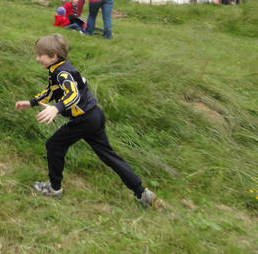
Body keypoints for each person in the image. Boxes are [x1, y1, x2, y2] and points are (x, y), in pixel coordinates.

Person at [14, 34, 157, 207]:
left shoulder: (63, 73)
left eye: (40, 55)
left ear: (53, 56)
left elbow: (73, 95)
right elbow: (51, 91)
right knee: (108, 155)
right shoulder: (60, 69)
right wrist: (32, 103)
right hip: (94, 115)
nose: (37, 58)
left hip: (84, 120)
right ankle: (142, 192)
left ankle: (54, 188)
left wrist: (56, 108)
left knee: (54, 145)